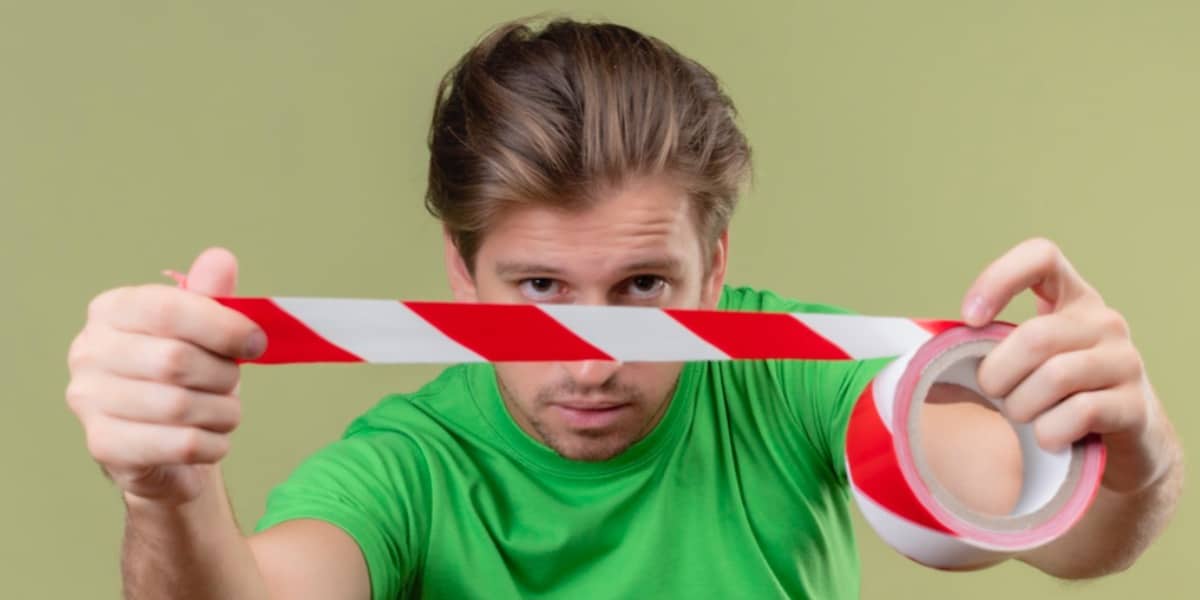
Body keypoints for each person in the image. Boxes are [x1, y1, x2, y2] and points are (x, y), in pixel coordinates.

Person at [65, 18, 1182, 600]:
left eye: (643, 290)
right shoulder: (408, 468)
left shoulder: (787, 378)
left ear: (716, 263)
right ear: (460, 277)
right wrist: (166, 492)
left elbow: (1061, 530)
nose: (592, 360)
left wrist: (1130, 459)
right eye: (539, 291)